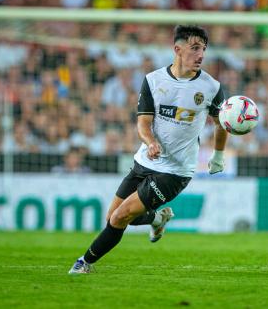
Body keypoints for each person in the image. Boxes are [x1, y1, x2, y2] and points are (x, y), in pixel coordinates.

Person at [69, 25, 228, 274]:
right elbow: (143, 122)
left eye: (204, 50)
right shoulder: (153, 81)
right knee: (112, 216)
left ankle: (84, 263)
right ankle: (157, 218)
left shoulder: (212, 87)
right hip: (146, 160)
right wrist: (150, 142)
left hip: (175, 171)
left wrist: (218, 156)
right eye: (195, 48)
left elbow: (221, 124)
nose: (201, 55)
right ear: (177, 49)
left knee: (120, 217)